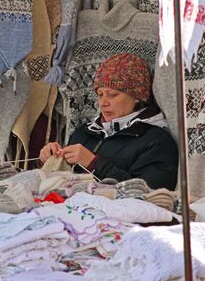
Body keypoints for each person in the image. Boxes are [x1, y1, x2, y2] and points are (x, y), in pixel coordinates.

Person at [39, 53, 178, 190]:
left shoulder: (156, 142)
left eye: (112, 94)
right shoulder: (83, 133)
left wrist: (94, 164)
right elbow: (59, 184)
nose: (103, 102)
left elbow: (151, 195)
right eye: (100, 94)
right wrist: (49, 161)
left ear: (137, 96)